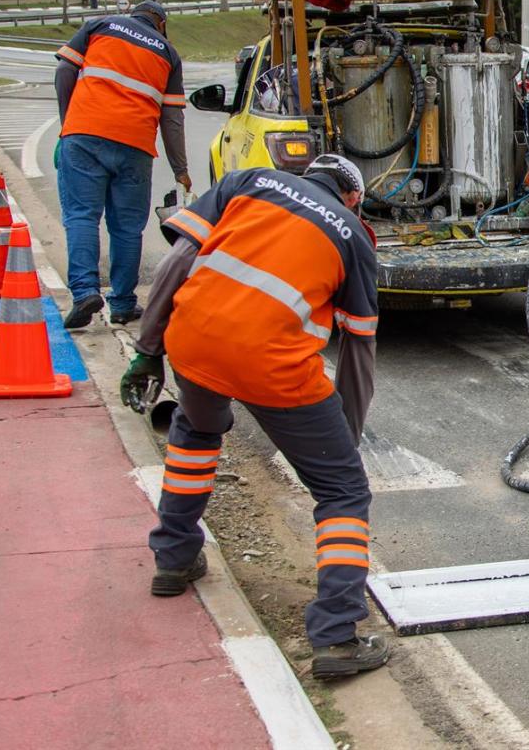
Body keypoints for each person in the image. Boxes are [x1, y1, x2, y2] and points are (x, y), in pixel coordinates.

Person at [120, 154, 389, 680]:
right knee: (342, 492)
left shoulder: (248, 181)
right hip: (274, 368)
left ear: (309, 176)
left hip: (194, 342)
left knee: (195, 431)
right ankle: (336, 638)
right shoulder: (353, 235)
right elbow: (359, 345)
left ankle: (173, 558)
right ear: (353, 198)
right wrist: (345, 438)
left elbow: (177, 261)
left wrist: (148, 349)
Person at [54, 0, 189, 328]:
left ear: (134, 15)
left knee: (82, 216)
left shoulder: (101, 25)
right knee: (127, 228)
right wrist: (181, 170)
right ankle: (123, 304)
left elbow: (64, 70)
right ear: (161, 24)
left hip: (84, 136)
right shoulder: (168, 53)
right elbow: (172, 119)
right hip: (135, 147)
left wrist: (68, 123)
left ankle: (85, 292)